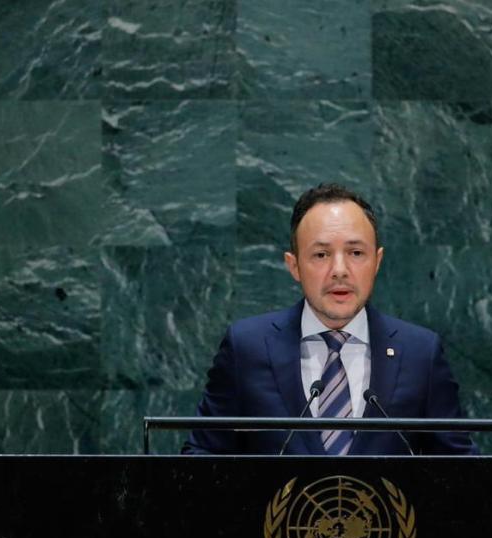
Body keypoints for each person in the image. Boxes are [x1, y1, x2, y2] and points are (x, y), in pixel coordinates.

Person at [182, 183, 476, 455]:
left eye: (356, 252)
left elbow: (461, 469)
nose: (340, 270)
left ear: (377, 262)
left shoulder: (420, 353)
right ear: (294, 266)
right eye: (321, 255)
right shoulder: (246, 347)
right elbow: (200, 459)